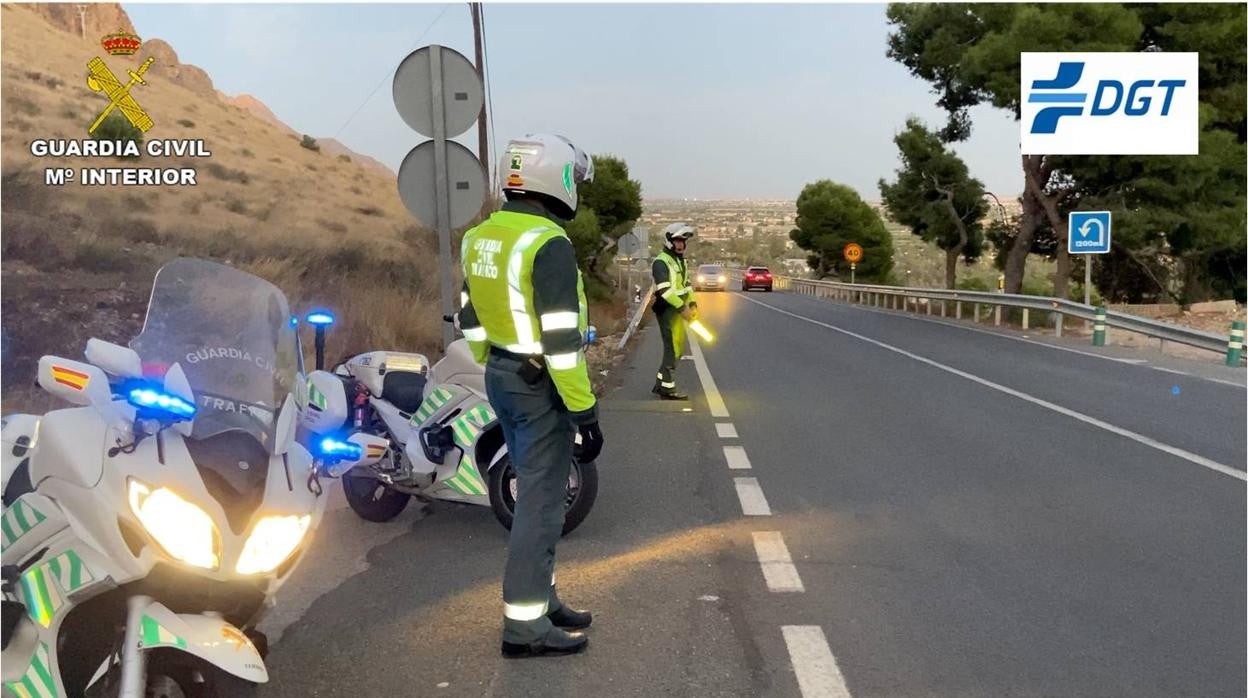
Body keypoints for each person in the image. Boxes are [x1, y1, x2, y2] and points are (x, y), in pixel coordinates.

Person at [457, 134, 604, 658]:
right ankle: (524, 625)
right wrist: (584, 410)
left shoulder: (479, 237)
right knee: (540, 506)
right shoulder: (549, 243)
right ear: (556, 179)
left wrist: (494, 359)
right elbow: (562, 341)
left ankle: (542, 599)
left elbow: (469, 314)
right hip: (540, 385)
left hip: (503, 375)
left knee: (534, 495)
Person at [651, 223, 697, 400]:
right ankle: (668, 388)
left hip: (679, 311)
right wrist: (681, 307)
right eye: (678, 241)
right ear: (669, 241)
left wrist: (692, 303)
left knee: (678, 348)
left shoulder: (681, 261)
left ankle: (661, 384)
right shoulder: (661, 262)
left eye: (683, 241)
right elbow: (665, 290)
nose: (681, 245)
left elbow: (687, 285)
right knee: (672, 349)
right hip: (668, 311)